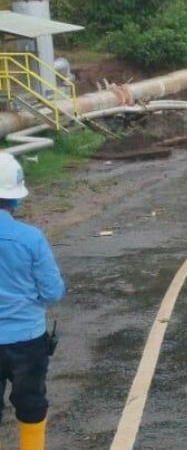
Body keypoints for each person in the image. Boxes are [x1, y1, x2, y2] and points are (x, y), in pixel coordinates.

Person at [0, 153, 65, 450]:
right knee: (31, 403)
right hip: (26, 341)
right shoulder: (31, 238)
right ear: (13, 199)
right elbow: (53, 292)